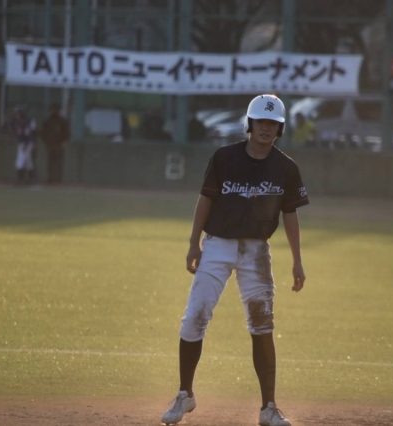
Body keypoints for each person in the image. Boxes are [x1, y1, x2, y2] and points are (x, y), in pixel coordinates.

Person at [161, 94, 309, 426]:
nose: (266, 128)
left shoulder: (286, 168)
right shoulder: (224, 157)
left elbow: (290, 215)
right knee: (194, 317)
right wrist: (193, 243)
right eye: (261, 122)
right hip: (217, 246)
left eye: (273, 123)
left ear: (280, 128)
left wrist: (297, 260)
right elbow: (205, 199)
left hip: (256, 251)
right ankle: (185, 394)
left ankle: (268, 408)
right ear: (249, 124)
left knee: (262, 325)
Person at [7, 106, 38, 185]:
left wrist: (26, 144)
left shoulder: (26, 122)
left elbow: (29, 135)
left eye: (18, 114)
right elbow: (10, 127)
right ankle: (31, 179)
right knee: (28, 162)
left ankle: (20, 179)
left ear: (21, 114)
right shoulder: (18, 122)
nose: (16, 115)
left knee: (20, 161)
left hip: (26, 143)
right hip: (22, 143)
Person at [41, 104, 70, 184]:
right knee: (50, 162)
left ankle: (58, 179)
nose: (53, 111)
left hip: (59, 144)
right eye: (52, 110)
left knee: (58, 162)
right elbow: (43, 132)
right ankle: (50, 178)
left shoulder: (62, 121)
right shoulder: (47, 121)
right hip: (50, 144)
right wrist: (46, 142)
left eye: (55, 110)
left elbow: (66, 133)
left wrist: (64, 142)